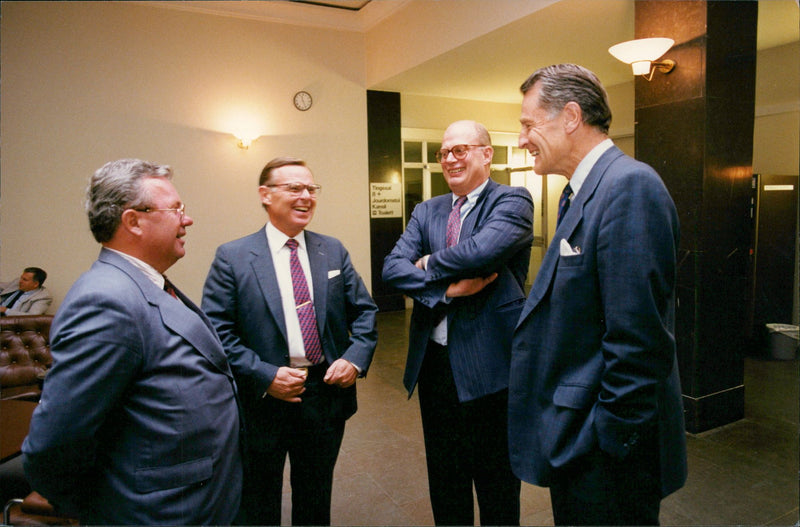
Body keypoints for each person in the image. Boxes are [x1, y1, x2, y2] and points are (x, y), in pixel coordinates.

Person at [508, 63, 688, 525]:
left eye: (529, 124)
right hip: (575, 438)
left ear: (570, 116)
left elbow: (639, 341)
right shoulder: (581, 192)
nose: (524, 138)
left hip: (605, 452)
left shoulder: (629, 187)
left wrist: (609, 439)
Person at [22, 159, 242, 525]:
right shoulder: (107, 301)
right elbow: (54, 446)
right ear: (133, 221)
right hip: (160, 513)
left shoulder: (146, 283)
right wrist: (102, 509)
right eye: (176, 209)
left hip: (197, 500)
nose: (187, 220)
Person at [202, 156, 378, 526]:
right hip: (262, 398)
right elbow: (217, 332)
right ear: (265, 195)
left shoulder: (331, 250)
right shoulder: (233, 257)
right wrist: (265, 375)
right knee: (258, 500)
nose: (306, 196)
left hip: (324, 395)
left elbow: (364, 311)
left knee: (315, 498)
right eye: (294, 187)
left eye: (311, 189)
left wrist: (355, 358)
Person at [382, 120, 533, 526]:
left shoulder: (512, 201)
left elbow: (481, 252)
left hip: (491, 369)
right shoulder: (427, 209)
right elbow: (392, 269)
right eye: (444, 152)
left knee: (497, 485)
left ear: (487, 154)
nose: (450, 158)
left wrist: (428, 261)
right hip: (435, 367)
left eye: (460, 149)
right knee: (445, 482)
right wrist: (447, 292)